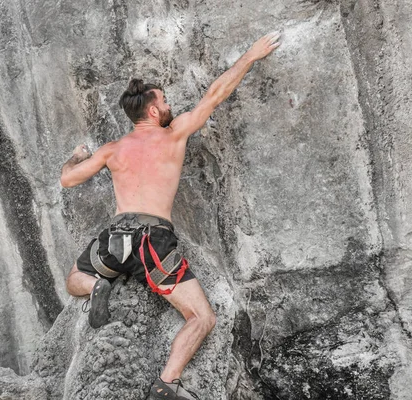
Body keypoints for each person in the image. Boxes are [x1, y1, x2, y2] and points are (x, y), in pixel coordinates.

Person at [61, 32, 281, 400]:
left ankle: (97, 285)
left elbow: (68, 179)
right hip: (153, 240)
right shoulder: (173, 135)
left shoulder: (113, 150)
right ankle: (166, 385)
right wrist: (250, 56)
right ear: (151, 111)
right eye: (163, 101)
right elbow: (216, 93)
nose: (168, 106)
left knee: (73, 278)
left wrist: (76, 154)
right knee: (202, 318)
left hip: (115, 238)